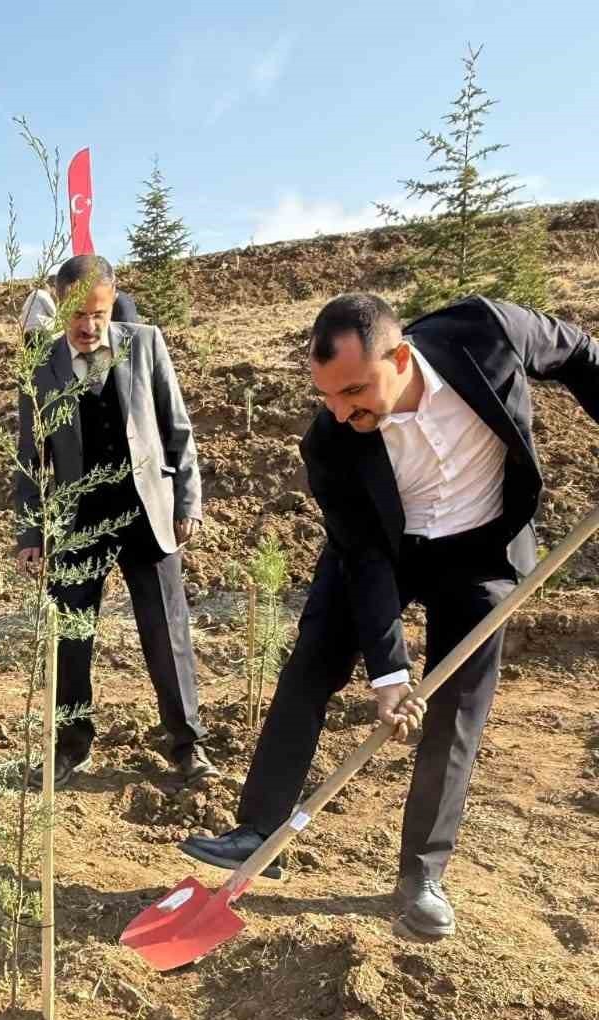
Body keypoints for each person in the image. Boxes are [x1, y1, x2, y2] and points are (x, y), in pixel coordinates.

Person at [182, 291, 599, 939]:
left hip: (481, 549)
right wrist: (388, 674)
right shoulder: (331, 443)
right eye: (328, 396)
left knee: (459, 706)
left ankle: (420, 877)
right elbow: (364, 558)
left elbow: (579, 354)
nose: (341, 411)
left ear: (400, 356)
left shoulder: (484, 333)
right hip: (387, 548)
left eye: (353, 391)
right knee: (316, 656)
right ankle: (260, 828)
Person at [15, 253, 214, 787]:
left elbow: (178, 428)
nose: (87, 326)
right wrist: (32, 530)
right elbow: (31, 456)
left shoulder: (145, 342)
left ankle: (187, 745)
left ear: (112, 301)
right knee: (71, 638)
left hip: (148, 514)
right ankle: (70, 747)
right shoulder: (41, 365)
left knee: (166, 632)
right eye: (76, 315)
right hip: (77, 520)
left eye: (98, 314)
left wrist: (187, 502)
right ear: (59, 307)